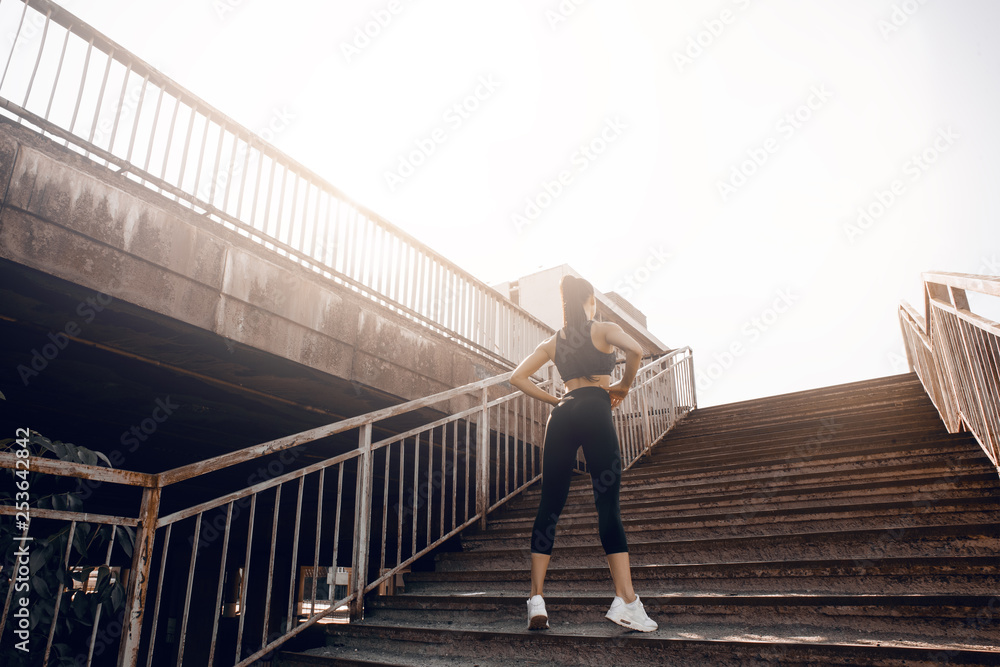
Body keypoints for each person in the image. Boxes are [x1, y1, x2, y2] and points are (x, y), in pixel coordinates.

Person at [509, 275, 657, 633]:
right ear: (589, 299)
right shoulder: (604, 328)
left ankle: (536, 599)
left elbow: (517, 377)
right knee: (607, 502)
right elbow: (636, 351)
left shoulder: (554, 341)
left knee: (549, 506)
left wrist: (555, 400)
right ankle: (626, 600)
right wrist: (622, 385)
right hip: (594, 407)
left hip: (561, 415)